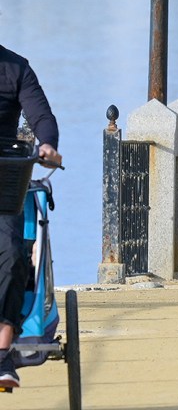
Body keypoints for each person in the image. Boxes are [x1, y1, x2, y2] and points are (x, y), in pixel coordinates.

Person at [0, 44, 62, 388]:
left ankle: (3, 352)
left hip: (4, 177)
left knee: (12, 254)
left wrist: (48, 145)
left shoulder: (16, 68)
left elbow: (41, 118)